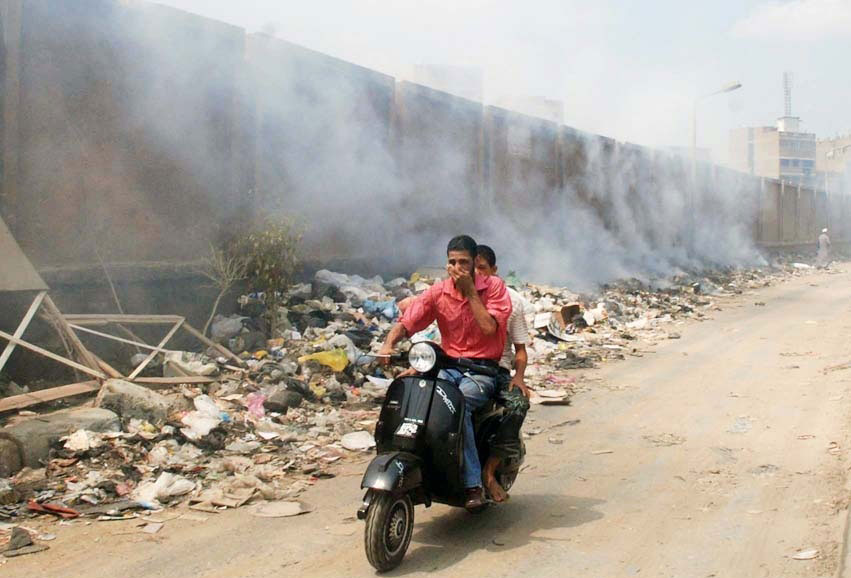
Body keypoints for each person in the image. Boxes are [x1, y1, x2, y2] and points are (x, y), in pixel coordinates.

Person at [378, 235, 512, 511]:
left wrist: (471, 292)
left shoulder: (495, 288)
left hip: (482, 371)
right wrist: (389, 343)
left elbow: (489, 328)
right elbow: (409, 321)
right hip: (448, 366)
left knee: (456, 404)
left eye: (464, 262)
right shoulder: (439, 291)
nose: (457, 267)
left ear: (476, 263)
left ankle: (473, 483)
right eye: (452, 262)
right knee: (413, 396)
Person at [474, 245, 531, 503]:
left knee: (518, 404)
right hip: (457, 367)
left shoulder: (513, 301)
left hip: (496, 369)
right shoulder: (456, 293)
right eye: (470, 266)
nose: (475, 273)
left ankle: (489, 470)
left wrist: (518, 378)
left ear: (494, 271)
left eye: (481, 268)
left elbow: (520, 349)